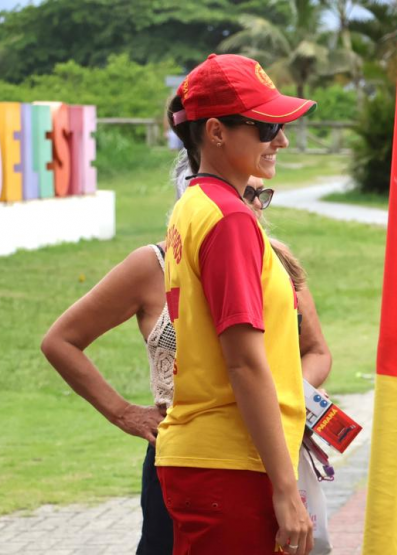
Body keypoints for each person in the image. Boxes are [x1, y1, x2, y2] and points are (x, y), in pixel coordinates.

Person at [40, 149, 332, 554]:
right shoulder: (154, 265)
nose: (253, 207)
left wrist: (288, 391)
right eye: (244, 193)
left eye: (260, 195)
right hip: (192, 452)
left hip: (270, 447)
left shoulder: (276, 262)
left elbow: (316, 351)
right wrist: (123, 413)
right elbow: (60, 341)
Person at [159, 53, 318, 555]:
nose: (281, 140)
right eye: (267, 127)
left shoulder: (194, 204)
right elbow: (244, 363)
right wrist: (286, 490)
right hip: (232, 464)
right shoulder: (229, 217)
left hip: (211, 458)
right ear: (216, 132)